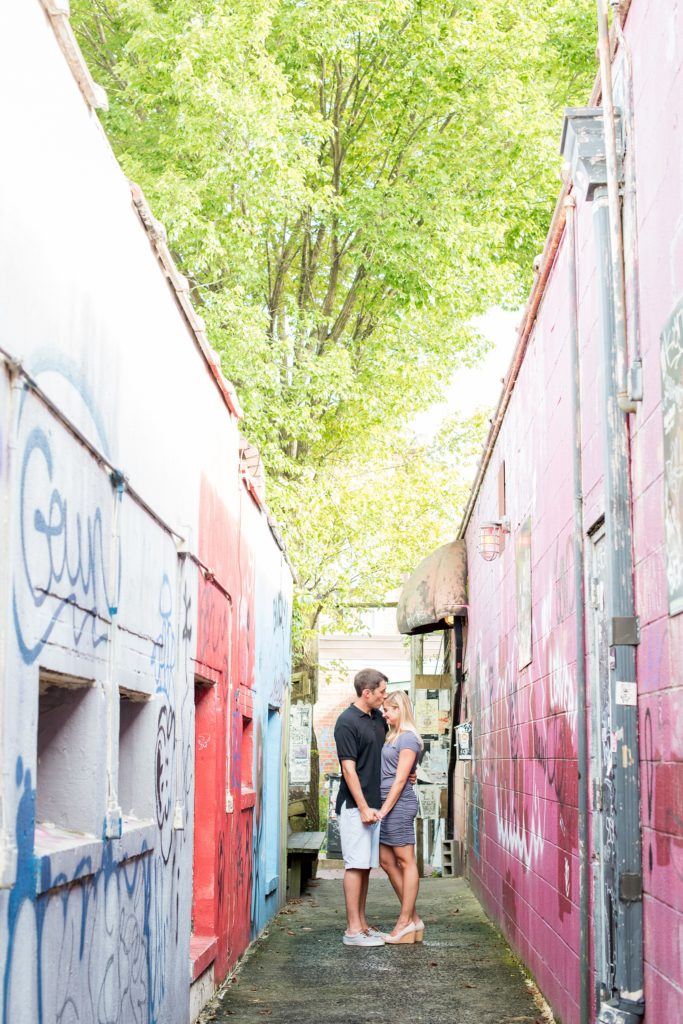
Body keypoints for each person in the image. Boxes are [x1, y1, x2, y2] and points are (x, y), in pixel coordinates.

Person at [333, 668, 389, 947]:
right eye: (381, 692)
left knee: (365, 866)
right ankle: (352, 931)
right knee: (355, 866)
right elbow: (348, 769)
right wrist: (364, 807)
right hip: (356, 807)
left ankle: (363, 925)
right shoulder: (346, 722)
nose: (384, 697)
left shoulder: (378, 719)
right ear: (366, 693)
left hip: (374, 805)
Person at [377, 691, 425, 944]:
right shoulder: (392, 736)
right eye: (385, 709)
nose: (385, 714)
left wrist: (384, 809)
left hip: (399, 804)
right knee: (386, 860)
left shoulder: (408, 738)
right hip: (388, 803)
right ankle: (414, 919)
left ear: (401, 709)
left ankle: (404, 921)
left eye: (390, 709)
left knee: (406, 861)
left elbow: (400, 779)